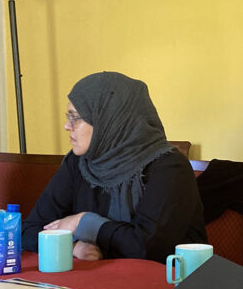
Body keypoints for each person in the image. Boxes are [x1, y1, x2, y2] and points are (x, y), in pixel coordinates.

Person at [21, 71, 206, 262]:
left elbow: (147, 248)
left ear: (109, 121)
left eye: (75, 117)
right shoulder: (78, 163)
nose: (67, 126)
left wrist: (84, 222)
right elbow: (29, 230)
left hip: (170, 284)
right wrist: (73, 246)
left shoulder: (169, 167)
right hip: (96, 283)